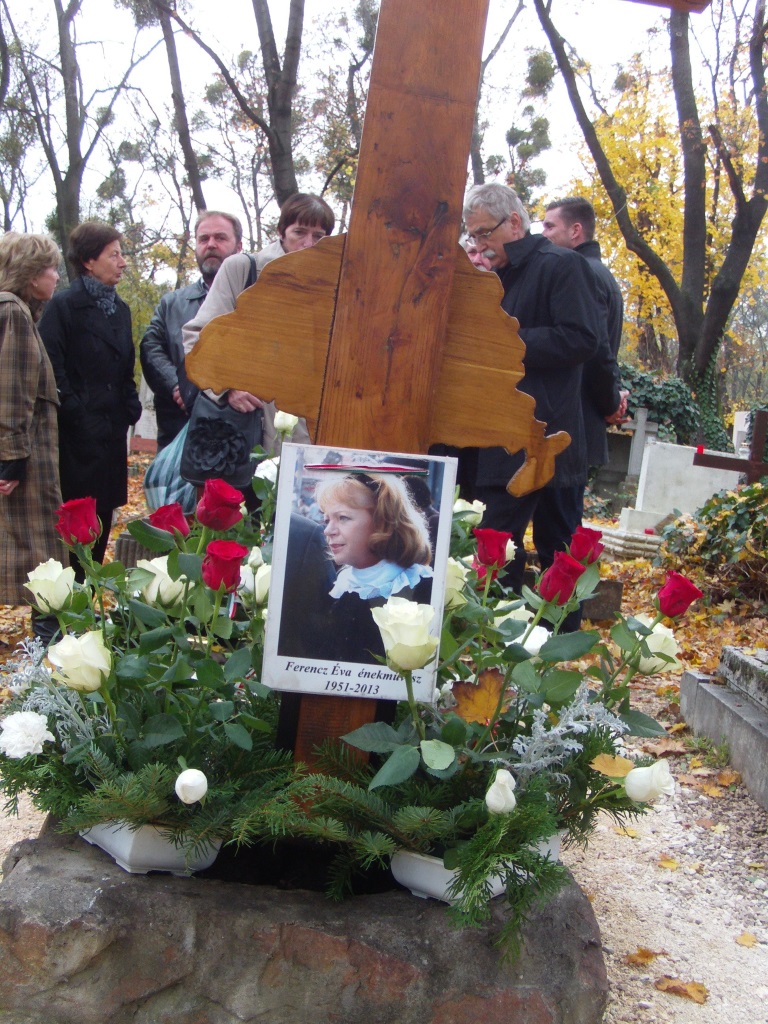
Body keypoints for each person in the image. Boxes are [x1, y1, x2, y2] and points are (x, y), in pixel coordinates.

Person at [462, 183, 601, 618]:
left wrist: (506, 340)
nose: (480, 244)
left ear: (514, 223)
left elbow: (582, 339)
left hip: (547, 434)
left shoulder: (561, 265)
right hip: (499, 435)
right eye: (473, 236)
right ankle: (495, 643)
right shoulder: (494, 277)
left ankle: (560, 643)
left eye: (485, 233)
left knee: (558, 553)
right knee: (496, 548)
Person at [181, 193, 336, 456]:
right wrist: (227, 388)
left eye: (319, 236)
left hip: (312, 439)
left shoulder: (336, 284)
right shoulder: (244, 269)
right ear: (282, 232)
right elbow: (197, 337)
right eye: (299, 232)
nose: (309, 243)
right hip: (249, 432)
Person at [39, 222, 141, 571]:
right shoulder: (64, 306)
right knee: (74, 537)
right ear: (88, 261)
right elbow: (52, 369)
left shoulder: (121, 310)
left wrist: (129, 406)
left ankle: (92, 595)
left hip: (110, 438)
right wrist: (78, 414)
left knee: (101, 525)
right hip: (75, 442)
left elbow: (125, 367)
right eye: (114, 255)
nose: (122, 262)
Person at [0, 232, 68, 642]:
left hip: (26, 454)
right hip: (28, 460)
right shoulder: (13, 312)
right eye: (50, 268)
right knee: (44, 555)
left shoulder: (18, 311)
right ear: (30, 273)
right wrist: (12, 457)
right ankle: (50, 651)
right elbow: (13, 389)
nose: (56, 276)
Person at [140, 211, 243, 449]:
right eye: (203, 239)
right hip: (180, 432)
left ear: (239, 247)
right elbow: (151, 348)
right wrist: (178, 385)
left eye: (220, 238)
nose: (211, 244)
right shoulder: (171, 304)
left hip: (239, 432)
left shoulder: (254, 300)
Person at [541, 197, 628, 476]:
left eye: (550, 226)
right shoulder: (602, 274)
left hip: (571, 423)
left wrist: (610, 402)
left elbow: (597, 349)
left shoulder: (580, 273)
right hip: (584, 422)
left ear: (575, 230)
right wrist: (611, 399)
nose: (543, 234)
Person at [315, 473, 433, 664]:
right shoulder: (339, 586)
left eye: (343, 518)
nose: (328, 530)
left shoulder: (422, 585)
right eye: (327, 520)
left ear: (383, 521)